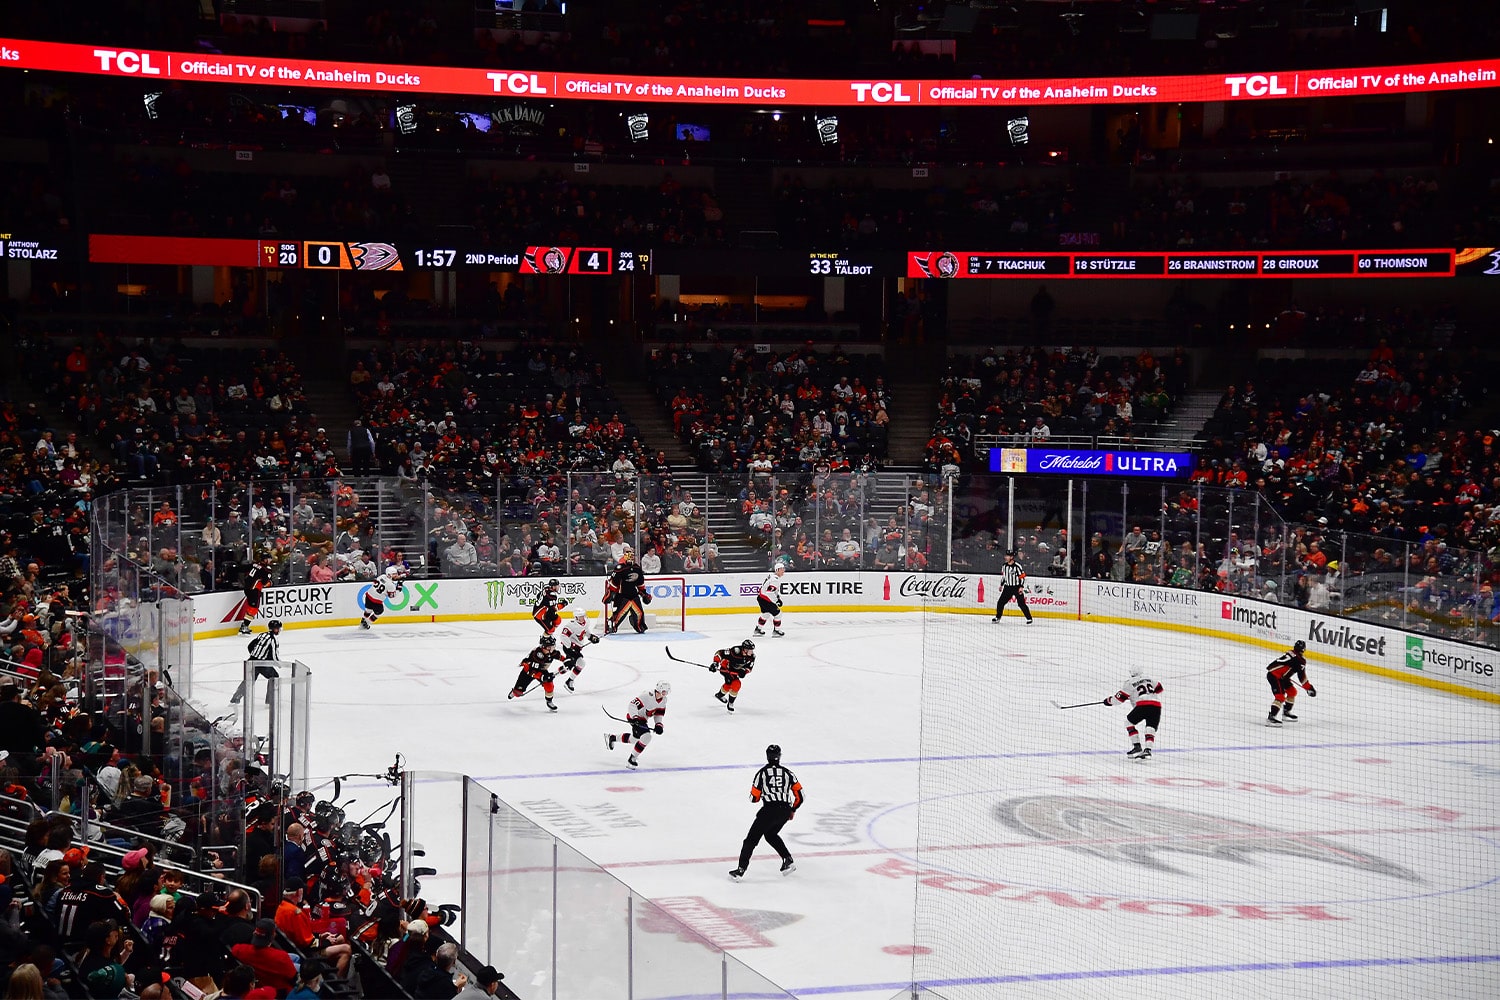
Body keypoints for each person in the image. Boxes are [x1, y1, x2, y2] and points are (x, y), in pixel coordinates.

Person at [729, 744, 803, 880]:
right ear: (779, 756)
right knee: (770, 834)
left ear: (767, 756)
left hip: (769, 810)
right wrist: (792, 809)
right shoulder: (788, 773)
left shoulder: (762, 773)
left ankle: (740, 870)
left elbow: (754, 798)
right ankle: (787, 859)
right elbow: (800, 796)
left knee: (750, 840)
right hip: (785, 811)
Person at [605, 681, 670, 769]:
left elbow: (658, 714)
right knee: (646, 737)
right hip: (635, 718)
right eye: (664, 692)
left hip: (643, 720)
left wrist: (658, 724)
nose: (665, 694)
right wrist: (635, 717)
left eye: (667, 692)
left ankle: (613, 738)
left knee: (635, 739)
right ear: (659, 690)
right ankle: (632, 759)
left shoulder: (663, 700)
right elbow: (632, 705)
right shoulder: (647, 696)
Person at [1103, 668, 1163, 759]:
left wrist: (1108, 701)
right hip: (1156, 705)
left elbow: (1119, 699)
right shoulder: (1150, 679)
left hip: (1143, 705)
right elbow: (1159, 689)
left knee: (1129, 722)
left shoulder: (1129, 682)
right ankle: (1148, 750)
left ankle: (1137, 746)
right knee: (1150, 727)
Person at [232, 619, 283, 706]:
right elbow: (274, 656)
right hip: (261, 664)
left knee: (249, 681)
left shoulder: (262, 635)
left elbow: (250, 646)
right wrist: (279, 664)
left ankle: (235, 699)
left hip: (251, 661)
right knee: (274, 677)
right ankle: (270, 701)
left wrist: (255, 655)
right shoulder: (273, 639)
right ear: (275, 629)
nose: (279, 630)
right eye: (278, 628)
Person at [1266, 639, 1315, 726]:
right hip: (1275, 676)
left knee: (1292, 692)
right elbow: (1302, 677)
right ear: (1303, 649)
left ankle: (1286, 712)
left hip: (1281, 676)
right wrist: (1309, 688)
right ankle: (1271, 717)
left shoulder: (1291, 652)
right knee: (1280, 696)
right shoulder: (1300, 661)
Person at [507, 636, 564, 711]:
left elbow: (560, 657)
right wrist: (542, 677)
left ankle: (549, 701)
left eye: (553, 647)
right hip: (527, 672)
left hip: (541, 670)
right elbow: (531, 671)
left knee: (549, 684)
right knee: (518, 693)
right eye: (550, 647)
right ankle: (514, 692)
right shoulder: (536, 654)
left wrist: (567, 661)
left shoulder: (551, 652)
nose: (552, 649)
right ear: (544, 647)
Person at [605, 555, 651, 634]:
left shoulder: (637, 568)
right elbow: (614, 583)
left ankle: (638, 625)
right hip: (622, 595)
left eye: (631, 555)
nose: (630, 557)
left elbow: (640, 583)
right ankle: (612, 624)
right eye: (628, 554)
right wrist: (610, 594)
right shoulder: (620, 568)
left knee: (640, 613)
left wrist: (644, 593)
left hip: (634, 595)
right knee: (620, 614)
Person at [557, 609, 600, 692]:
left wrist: (592, 637)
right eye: (581, 616)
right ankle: (569, 681)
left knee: (569, 666)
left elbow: (586, 631)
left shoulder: (586, 622)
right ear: (576, 617)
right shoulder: (571, 625)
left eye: (583, 616)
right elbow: (563, 636)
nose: (583, 618)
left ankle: (552, 676)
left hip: (576, 649)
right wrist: (572, 646)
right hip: (569, 649)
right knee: (581, 663)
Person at [711, 639, 756, 713]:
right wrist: (715, 663)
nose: (752, 652)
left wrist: (744, 671)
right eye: (750, 650)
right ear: (745, 650)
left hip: (734, 671)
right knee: (736, 684)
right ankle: (730, 703)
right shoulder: (735, 651)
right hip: (726, 668)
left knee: (729, 684)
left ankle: (719, 695)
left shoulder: (752, 657)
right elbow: (720, 653)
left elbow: (749, 668)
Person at [360, 565, 409, 631]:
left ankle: (363, 619)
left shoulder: (382, 576)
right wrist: (399, 588)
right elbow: (392, 596)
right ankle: (367, 622)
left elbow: (382, 583)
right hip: (377, 602)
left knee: (368, 610)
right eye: (394, 574)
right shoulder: (391, 585)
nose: (396, 575)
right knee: (379, 613)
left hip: (368, 596)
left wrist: (401, 576)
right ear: (389, 575)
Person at [992, 550, 1034, 624]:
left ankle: (1029, 618)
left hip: (1016, 587)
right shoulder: (1004, 566)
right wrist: (1001, 585)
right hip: (1007, 587)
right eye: (1006, 556)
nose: (1005, 557)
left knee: (1021, 603)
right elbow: (1004, 576)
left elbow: (1022, 577)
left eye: (1007, 556)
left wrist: (1021, 587)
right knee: (1000, 602)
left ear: (1011, 557)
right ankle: (998, 617)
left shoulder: (1017, 566)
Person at [238, 554, 275, 635]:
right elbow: (265, 583)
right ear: (265, 560)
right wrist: (270, 582)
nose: (270, 561)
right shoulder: (266, 570)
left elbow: (241, 569)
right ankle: (244, 626)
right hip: (254, 590)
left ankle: (245, 625)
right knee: (253, 609)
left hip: (247, 588)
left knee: (251, 607)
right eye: (269, 559)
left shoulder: (254, 565)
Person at [754, 563, 786, 637]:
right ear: (777, 570)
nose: (783, 571)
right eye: (782, 569)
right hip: (766, 599)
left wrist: (777, 597)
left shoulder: (771, 576)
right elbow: (770, 592)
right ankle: (776, 631)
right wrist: (776, 601)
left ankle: (758, 629)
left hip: (761, 598)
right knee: (778, 614)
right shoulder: (775, 580)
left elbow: (770, 590)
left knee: (766, 614)